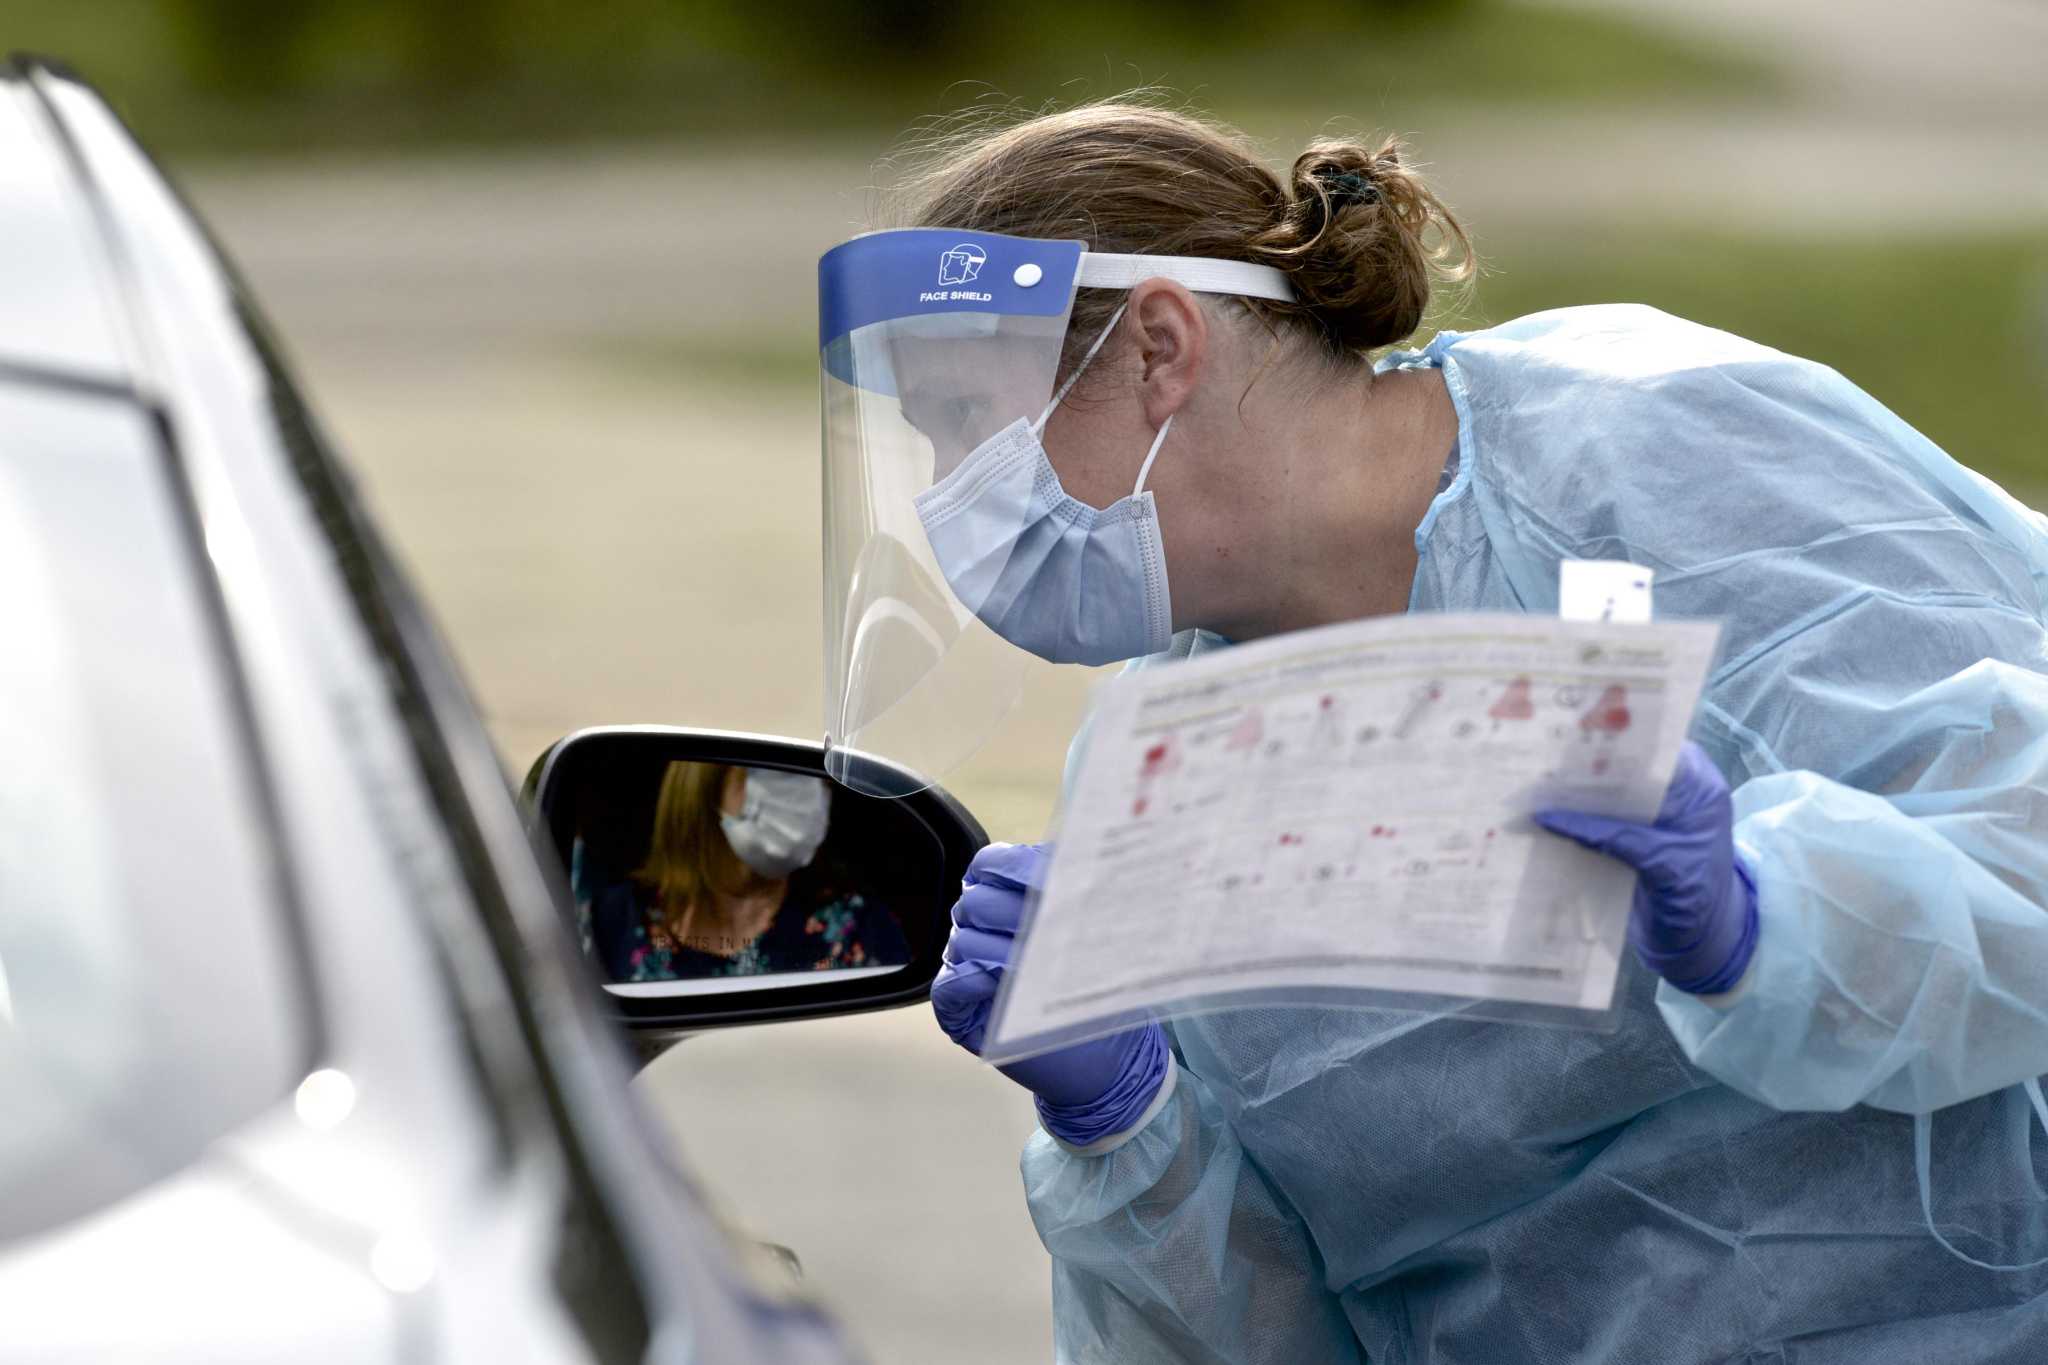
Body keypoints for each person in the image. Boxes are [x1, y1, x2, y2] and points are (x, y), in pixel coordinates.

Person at [816, 101, 2048, 1360]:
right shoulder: (1157, 770)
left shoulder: (1655, 444)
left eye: (967, 420)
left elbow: (2026, 841)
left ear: (1158, 346)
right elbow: (1284, 1328)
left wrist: (1772, 917)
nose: (949, 501)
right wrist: (1129, 1131)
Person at [587, 761, 908, 981]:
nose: (803, 799)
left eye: (814, 779)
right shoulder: (614, 920)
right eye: (776, 778)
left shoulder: (857, 926)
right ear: (703, 792)